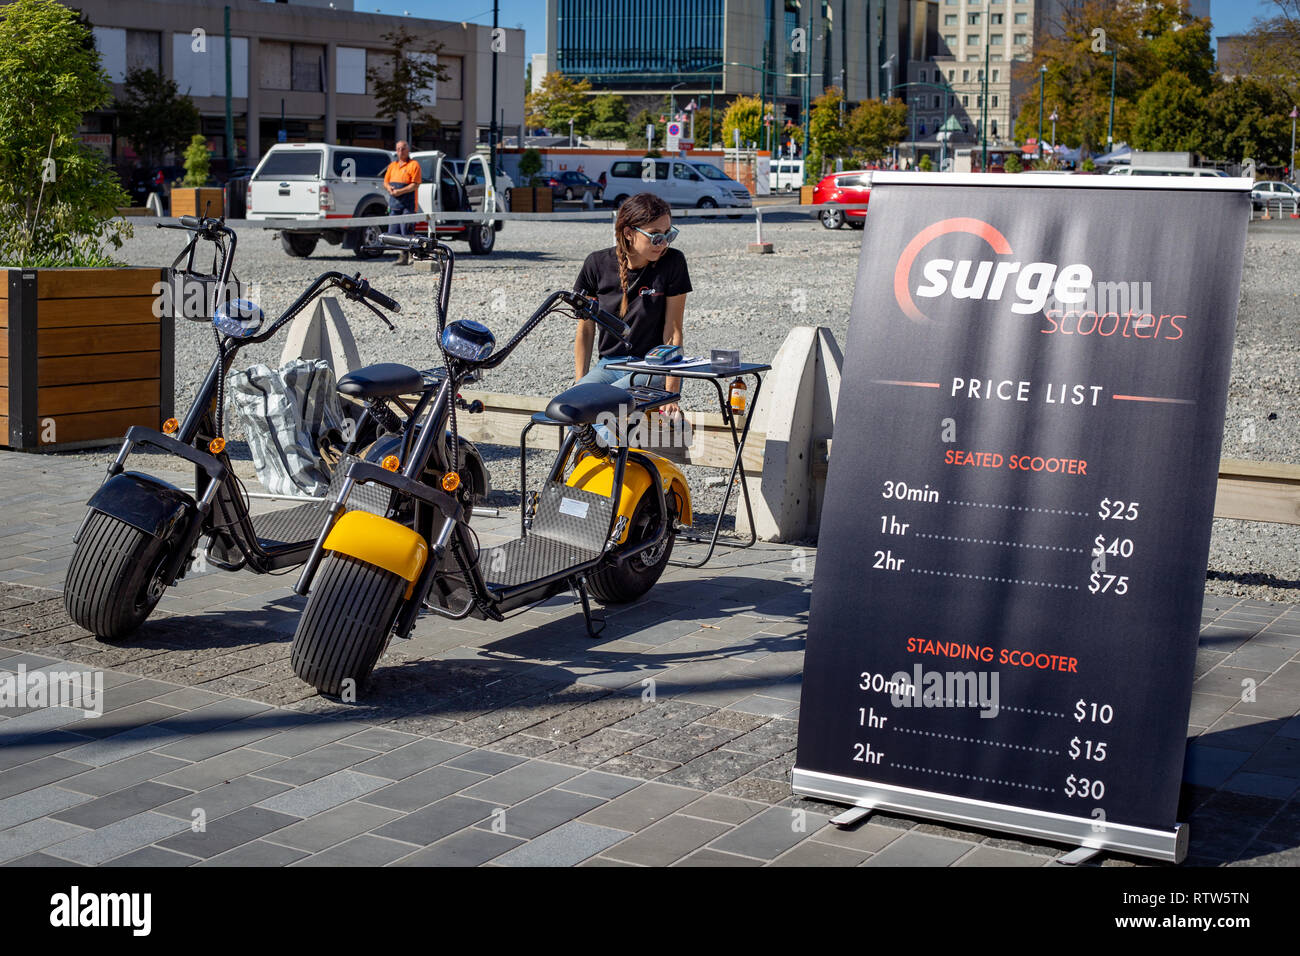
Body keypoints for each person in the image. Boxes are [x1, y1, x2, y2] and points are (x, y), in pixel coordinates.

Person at [573, 192, 689, 429]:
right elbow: (585, 330)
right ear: (629, 233)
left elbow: (673, 331)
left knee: (601, 406)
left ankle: (611, 464)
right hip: (609, 365)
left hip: (654, 366)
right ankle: (586, 464)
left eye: (669, 235)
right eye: (656, 237)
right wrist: (579, 382)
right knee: (574, 408)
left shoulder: (672, 262)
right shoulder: (596, 264)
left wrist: (672, 395)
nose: (664, 243)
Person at [383, 140, 421, 264]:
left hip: (408, 205)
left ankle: (412, 255)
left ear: (408, 150)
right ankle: (402, 255)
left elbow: (415, 185)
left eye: (403, 149)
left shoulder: (414, 165)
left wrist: (400, 191)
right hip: (394, 204)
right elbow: (385, 182)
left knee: (407, 230)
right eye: (398, 149)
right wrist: (390, 189)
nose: (400, 151)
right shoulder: (392, 166)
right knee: (395, 232)